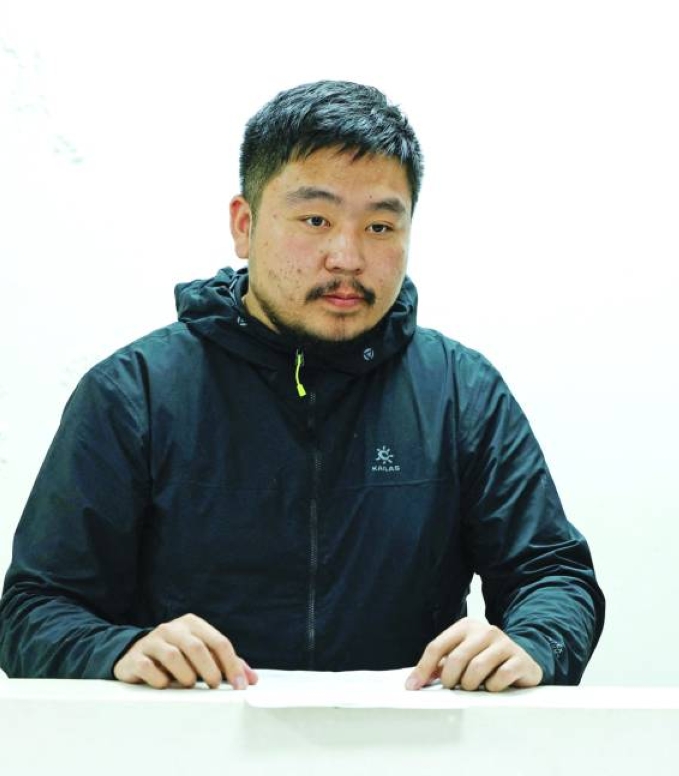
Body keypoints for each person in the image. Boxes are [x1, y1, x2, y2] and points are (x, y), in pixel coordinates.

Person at [0, 81, 604, 693]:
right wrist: (120, 650)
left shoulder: (461, 392)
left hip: (407, 738)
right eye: (315, 220)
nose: (347, 257)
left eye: (380, 226)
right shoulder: (135, 394)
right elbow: (34, 609)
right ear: (244, 225)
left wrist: (532, 644)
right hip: (191, 739)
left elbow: (553, 575)